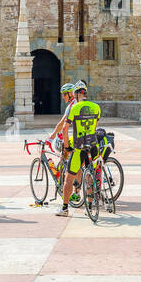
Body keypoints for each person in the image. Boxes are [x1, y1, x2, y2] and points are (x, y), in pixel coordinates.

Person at [58, 82, 101, 217]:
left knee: (69, 178)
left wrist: (66, 146)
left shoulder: (74, 108)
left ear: (76, 94)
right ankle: (89, 206)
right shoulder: (96, 107)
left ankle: (64, 209)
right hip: (93, 147)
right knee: (91, 176)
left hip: (79, 148)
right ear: (85, 93)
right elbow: (95, 126)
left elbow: (65, 129)